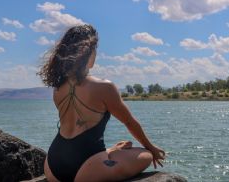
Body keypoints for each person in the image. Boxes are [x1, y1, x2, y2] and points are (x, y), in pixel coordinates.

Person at [37, 24, 165, 182]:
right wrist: (152, 148)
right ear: (87, 52)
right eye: (95, 49)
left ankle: (109, 150)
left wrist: (111, 150)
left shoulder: (58, 88)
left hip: (53, 166)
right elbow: (129, 122)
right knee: (145, 155)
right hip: (85, 169)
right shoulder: (104, 87)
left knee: (115, 150)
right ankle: (108, 153)